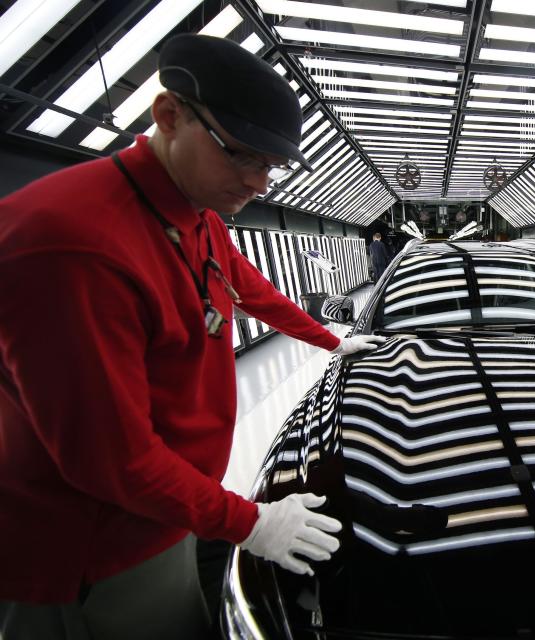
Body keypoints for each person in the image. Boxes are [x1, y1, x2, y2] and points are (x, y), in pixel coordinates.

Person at [0, 34, 385, 639]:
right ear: (169, 115)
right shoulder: (74, 246)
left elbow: (249, 286)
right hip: (98, 548)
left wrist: (331, 341)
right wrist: (249, 523)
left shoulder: (194, 209)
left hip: (165, 510)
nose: (259, 184)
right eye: (243, 156)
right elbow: (111, 460)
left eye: (272, 166)